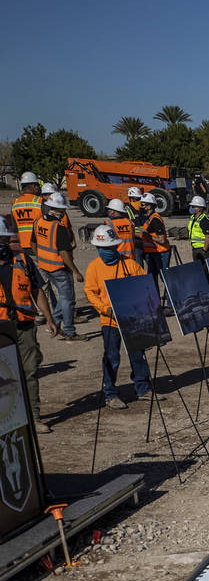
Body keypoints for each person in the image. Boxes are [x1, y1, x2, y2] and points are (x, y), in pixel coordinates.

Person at [83, 226, 152, 409]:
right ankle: (110, 394)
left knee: (137, 354)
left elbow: (144, 285)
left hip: (131, 320)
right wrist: (105, 309)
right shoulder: (94, 268)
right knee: (112, 356)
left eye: (111, 248)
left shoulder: (130, 265)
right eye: (103, 249)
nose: (107, 252)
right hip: (110, 321)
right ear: (98, 248)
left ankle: (143, 388)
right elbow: (90, 292)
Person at [0, 216, 57, 432]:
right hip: (0, 328)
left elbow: (36, 290)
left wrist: (49, 318)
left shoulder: (22, 260)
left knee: (30, 371)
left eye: (4, 239)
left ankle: (34, 417)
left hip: (24, 325)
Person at [33, 192, 84, 341]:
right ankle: (68, 330)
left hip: (45, 267)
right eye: (61, 211)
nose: (63, 214)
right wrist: (76, 271)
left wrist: (41, 258)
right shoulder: (58, 228)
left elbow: (33, 243)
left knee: (63, 298)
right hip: (59, 269)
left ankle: (54, 322)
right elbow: (63, 253)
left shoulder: (38, 222)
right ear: (53, 210)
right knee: (67, 300)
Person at [138, 194, 172, 291]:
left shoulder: (155, 220)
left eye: (143, 205)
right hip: (153, 253)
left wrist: (148, 236)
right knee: (152, 278)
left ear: (149, 206)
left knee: (164, 278)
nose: (141, 207)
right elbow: (143, 235)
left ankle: (171, 302)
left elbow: (162, 240)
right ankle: (156, 302)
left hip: (161, 253)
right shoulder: (149, 218)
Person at [10, 172, 43, 252]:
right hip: (39, 246)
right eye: (37, 186)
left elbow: (14, 228)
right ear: (34, 186)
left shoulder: (15, 204)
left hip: (23, 247)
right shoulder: (41, 202)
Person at [187, 196, 209, 262]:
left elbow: (208, 237)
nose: (192, 208)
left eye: (194, 206)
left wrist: (204, 250)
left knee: (204, 269)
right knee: (198, 269)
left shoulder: (204, 220)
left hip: (204, 249)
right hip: (195, 248)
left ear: (200, 208)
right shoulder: (193, 218)